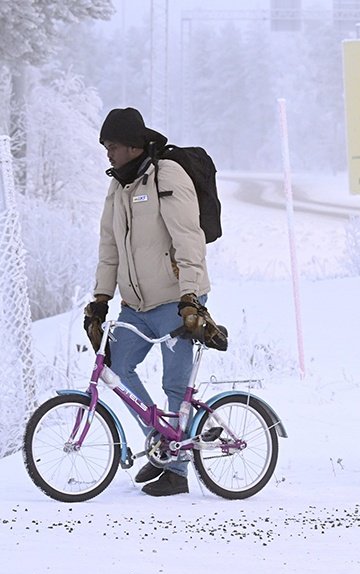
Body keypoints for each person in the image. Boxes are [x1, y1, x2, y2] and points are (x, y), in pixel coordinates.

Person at [84, 107, 216, 495]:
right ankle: (162, 446)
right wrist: (101, 299)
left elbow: (189, 238)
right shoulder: (118, 186)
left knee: (174, 383)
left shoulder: (167, 175)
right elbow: (109, 247)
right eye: (105, 145)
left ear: (133, 145)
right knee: (117, 367)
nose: (107, 153)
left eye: (112, 146)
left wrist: (191, 296)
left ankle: (177, 469)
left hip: (176, 299)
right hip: (135, 306)